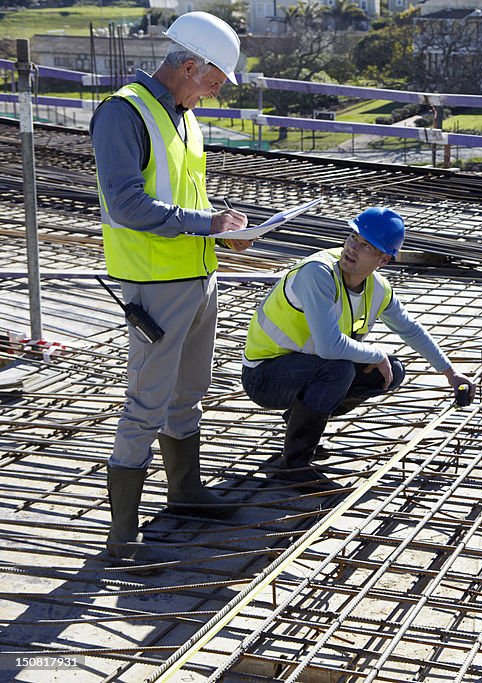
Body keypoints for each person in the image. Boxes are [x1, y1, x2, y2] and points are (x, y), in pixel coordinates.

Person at [91, 11, 252, 568]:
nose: (216, 91)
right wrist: (206, 225)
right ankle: (123, 535)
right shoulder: (122, 114)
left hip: (197, 276)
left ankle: (185, 491)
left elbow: (184, 196)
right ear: (189, 65)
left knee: (190, 392)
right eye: (215, 80)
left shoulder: (184, 117)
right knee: (146, 404)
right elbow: (127, 204)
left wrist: (225, 229)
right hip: (153, 285)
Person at [241, 207, 476, 490]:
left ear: (383, 259)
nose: (352, 248)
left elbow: (410, 329)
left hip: (305, 370)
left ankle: (298, 422)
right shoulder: (317, 273)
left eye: (366, 245)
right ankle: (294, 465)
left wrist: (451, 373)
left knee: (391, 372)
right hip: (264, 376)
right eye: (353, 237)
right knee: (340, 369)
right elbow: (329, 347)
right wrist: (376, 354)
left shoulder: (378, 289)